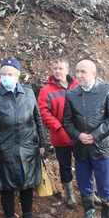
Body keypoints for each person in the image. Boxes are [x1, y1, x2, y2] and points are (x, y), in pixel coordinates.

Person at [0, 57, 46, 218]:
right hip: (4, 148)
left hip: (27, 147)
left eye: (11, 74)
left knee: (27, 184)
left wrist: (41, 142)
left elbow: (37, 118)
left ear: (18, 76)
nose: (7, 77)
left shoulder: (28, 92)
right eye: (4, 74)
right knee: (6, 185)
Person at [62, 59, 109, 218]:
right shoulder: (71, 94)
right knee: (83, 181)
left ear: (93, 74)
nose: (78, 75)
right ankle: (89, 213)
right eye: (77, 71)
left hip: (102, 147)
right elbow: (66, 120)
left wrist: (95, 136)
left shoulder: (107, 91)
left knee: (105, 184)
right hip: (80, 147)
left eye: (83, 72)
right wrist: (78, 135)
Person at [37, 58, 79, 208]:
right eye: (55, 68)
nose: (57, 71)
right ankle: (70, 194)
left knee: (83, 164)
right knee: (65, 166)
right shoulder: (46, 91)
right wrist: (58, 128)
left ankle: (88, 193)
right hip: (60, 136)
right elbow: (43, 112)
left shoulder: (77, 86)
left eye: (60, 68)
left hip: (79, 135)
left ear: (67, 70)